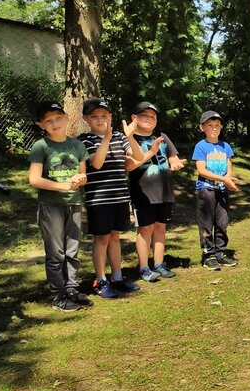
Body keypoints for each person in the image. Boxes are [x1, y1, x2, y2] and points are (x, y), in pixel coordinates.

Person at [78, 98, 146, 299]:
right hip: (99, 199)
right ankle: (100, 280)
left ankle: (117, 276)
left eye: (104, 115)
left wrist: (130, 136)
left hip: (120, 196)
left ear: (110, 117)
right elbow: (96, 163)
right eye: (95, 116)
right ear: (85, 119)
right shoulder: (84, 140)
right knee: (102, 238)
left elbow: (138, 156)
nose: (100, 120)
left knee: (115, 237)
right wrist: (106, 139)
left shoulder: (119, 137)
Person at [27, 101, 90, 311]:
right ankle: (59, 295)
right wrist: (63, 186)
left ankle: (71, 289)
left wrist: (80, 180)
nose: (55, 123)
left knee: (72, 250)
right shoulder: (41, 146)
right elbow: (34, 179)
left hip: (74, 203)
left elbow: (83, 175)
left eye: (58, 118)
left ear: (66, 117)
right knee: (56, 253)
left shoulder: (77, 146)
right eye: (48, 121)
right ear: (41, 125)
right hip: (51, 206)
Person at [127, 101, 186, 281]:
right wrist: (151, 152)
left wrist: (176, 163)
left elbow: (173, 158)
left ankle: (159, 264)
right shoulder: (130, 139)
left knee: (160, 227)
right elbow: (129, 165)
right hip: (143, 193)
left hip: (165, 191)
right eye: (144, 115)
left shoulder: (162, 137)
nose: (149, 119)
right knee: (145, 229)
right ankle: (144, 268)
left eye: (153, 116)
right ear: (134, 118)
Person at [192, 110, 239, 270]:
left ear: (221, 127)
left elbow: (229, 165)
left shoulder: (225, 146)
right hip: (206, 190)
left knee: (222, 222)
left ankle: (220, 252)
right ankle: (208, 255)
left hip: (222, 190)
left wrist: (228, 180)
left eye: (217, 125)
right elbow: (201, 170)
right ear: (202, 127)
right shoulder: (201, 146)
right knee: (206, 223)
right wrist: (223, 179)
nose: (214, 128)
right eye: (210, 125)